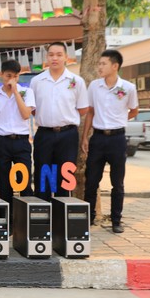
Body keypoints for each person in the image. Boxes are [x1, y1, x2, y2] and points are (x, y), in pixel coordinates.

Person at [81, 49, 138, 234]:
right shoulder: (94, 86)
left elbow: (134, 110)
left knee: (117, 182)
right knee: (91, 180)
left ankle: (116, 220)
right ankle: (89, 218)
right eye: (99, 63)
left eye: (103, 64)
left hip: (117, 139)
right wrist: (85, 137)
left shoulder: (128, 88)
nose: (99, 67)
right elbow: (90, 112)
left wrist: (119, 120)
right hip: (97, 138)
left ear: (115, 66)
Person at [30, 42, 88, 200]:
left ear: (66, 57)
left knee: (65, 174)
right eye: (51, 55)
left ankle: (61, 211)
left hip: (67, 135)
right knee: (43, 174)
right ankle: (43, 209)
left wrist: (65, 116)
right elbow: (33, 108)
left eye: (59, 55)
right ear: (46, 57)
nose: (54, 58)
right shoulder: (37, 81)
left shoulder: (76, 81)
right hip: (44, 134)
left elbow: (83, 108)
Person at [0, 59, 35, 219]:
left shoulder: (26, 92)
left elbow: (26, 114)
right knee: (4, 183)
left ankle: (25, 219)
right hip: (2, 142)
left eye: (15, 76)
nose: (12, 80)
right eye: (8, 76)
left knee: (24, 181)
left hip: (21, 142)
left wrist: (16, 92)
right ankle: (7, 219)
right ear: (2, 75)